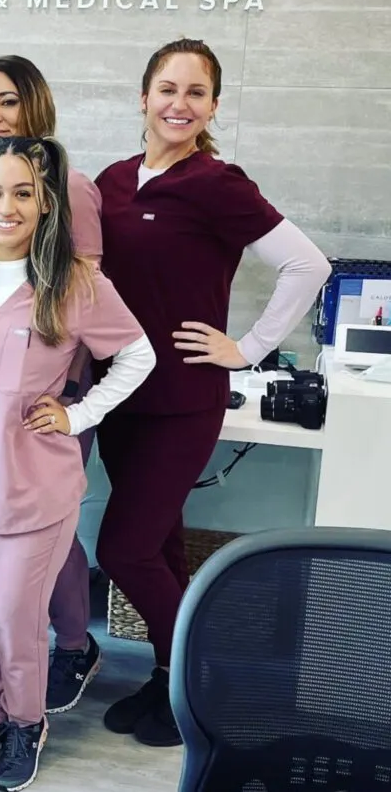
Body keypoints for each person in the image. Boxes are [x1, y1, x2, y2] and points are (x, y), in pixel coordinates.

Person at [94, 38, 332, 748]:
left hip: (183, 400)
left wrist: (249, 348)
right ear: (142, 96)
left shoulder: (217, 182)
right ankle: (169, 675)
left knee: (123, 549)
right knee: (160, 546)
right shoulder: (109, 181)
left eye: (196, 92)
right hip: (119, 397)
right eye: (168, 88)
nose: (179, 103)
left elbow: (306, 264)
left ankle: (203, 679)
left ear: (212, 107)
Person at [0, 137, 156, 792]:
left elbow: (139, 355)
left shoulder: (75, 282)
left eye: (22, 192)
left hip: (35, 486)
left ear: (45, 202)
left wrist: (79, 413)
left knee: (12, 615)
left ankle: (27, 722)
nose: (7, 206)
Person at [0, 55, 104, 718]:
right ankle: (2, 685)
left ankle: (71, 645)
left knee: (42, 532)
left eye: (7, 102)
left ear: (34, 109)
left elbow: (84, 291)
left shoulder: (72, 186)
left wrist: (62, 395)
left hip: (49, 395)